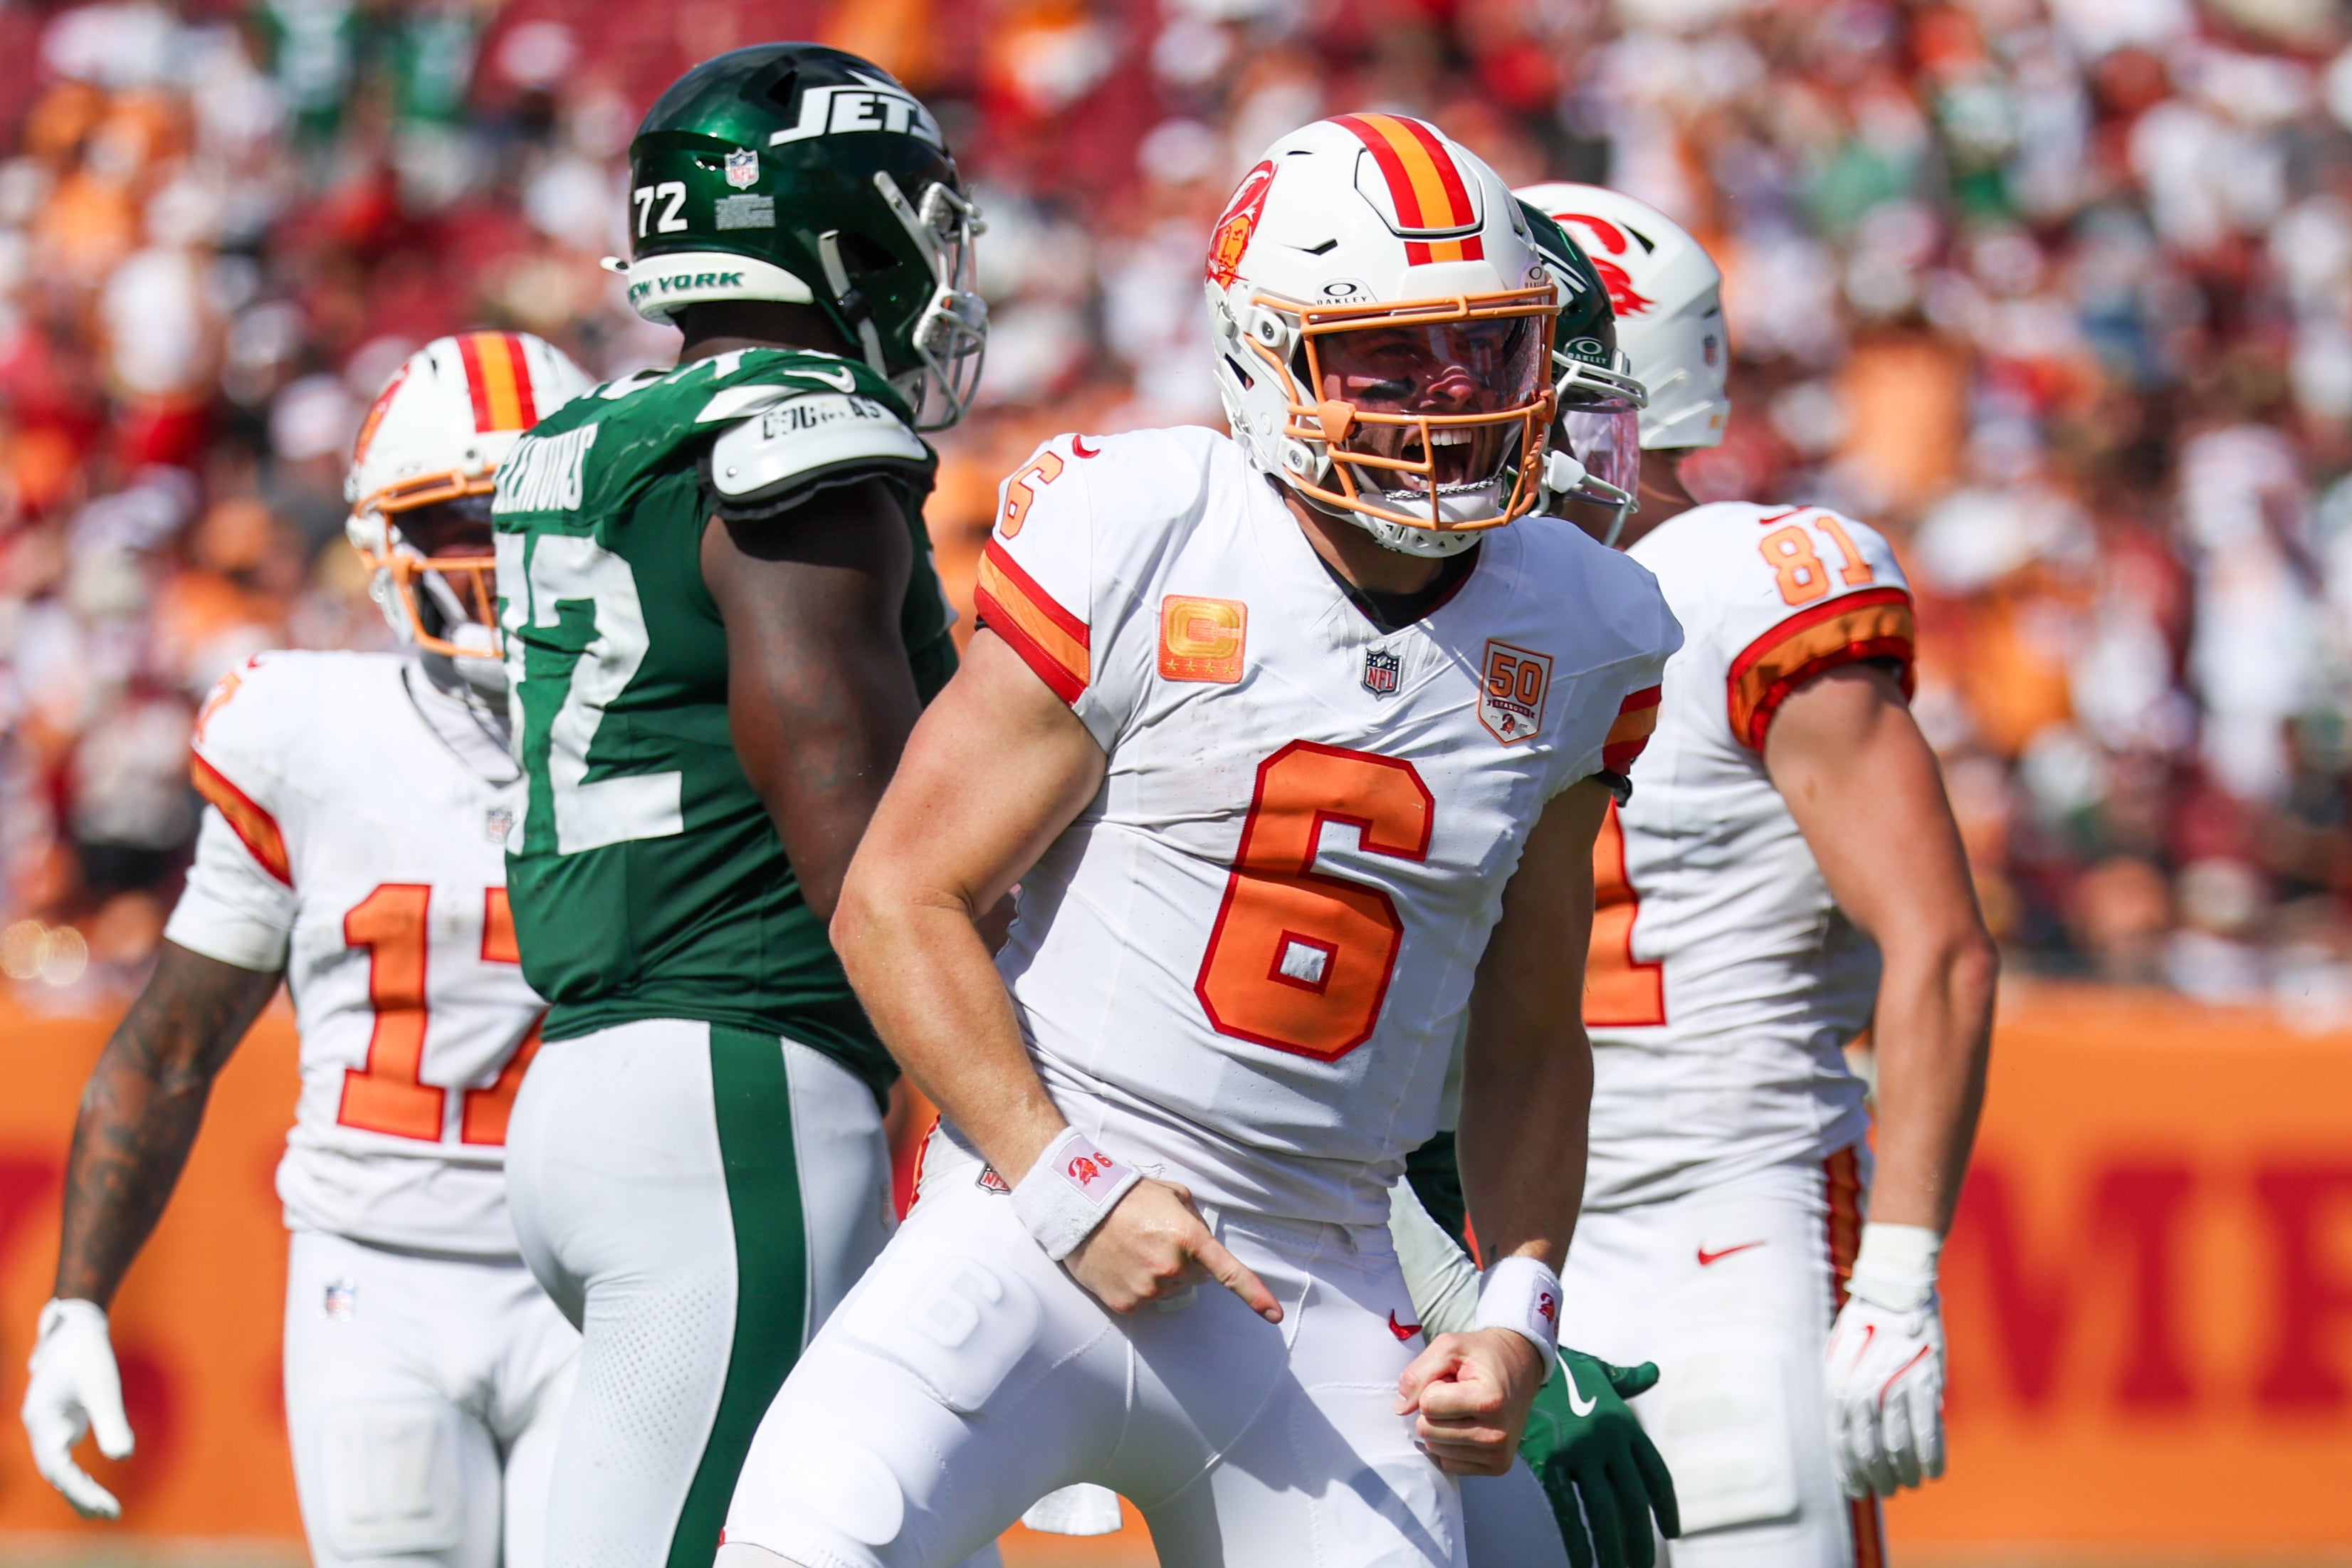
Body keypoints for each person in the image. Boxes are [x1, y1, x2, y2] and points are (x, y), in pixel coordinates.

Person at [714, 114, 1681, 1568]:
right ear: (1265, 356)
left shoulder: (1581, 622)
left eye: (1486, 348)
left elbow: (1535, 1032)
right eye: (1394, 356)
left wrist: (1517, 1306)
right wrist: (1063, 1182)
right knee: (810, 1541)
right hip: (1034, 1224)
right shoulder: (1148, 525)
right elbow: (899, 895)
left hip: (1317, 1284)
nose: (1453, 396)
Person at [1397, 182, 1997, 1568]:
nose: (1460, 387)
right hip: (1495, 1249)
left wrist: (1898, 1274)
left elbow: (1942, 946)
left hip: (1732, 1224)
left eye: (1497, 348)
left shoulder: (1740, 581)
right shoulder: (1455, 597)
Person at [487, 43, 997, 1568]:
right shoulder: (799, 436)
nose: (935, 251)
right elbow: (859, 829)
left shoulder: (592, 432)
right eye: (910, 211)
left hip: (597, 1081)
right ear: (832, 223)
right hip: (739, 1084)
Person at [20, 332, 592, 1568]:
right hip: (375, 1278)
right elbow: (171, 1047)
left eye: (528, 516)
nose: (495, 558)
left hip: (611, 1277)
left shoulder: (683, 734)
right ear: (387, 543)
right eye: (459, 522)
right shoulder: (305, 736)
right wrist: (76, 1304)